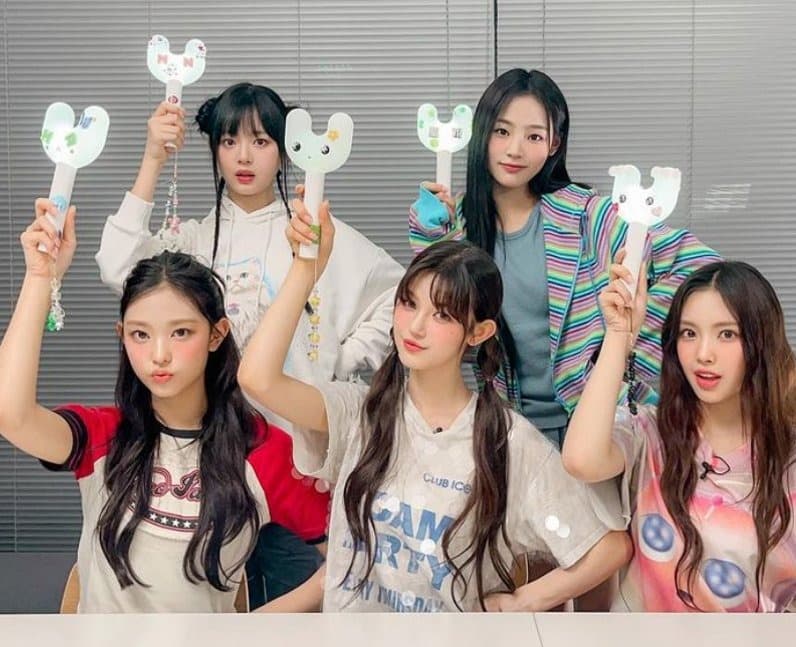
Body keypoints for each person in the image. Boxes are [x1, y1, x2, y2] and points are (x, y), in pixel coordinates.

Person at [95, 81, 404, 605]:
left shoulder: (315, 234)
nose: (243, 156)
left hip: (292, 467)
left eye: (261, 141)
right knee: (208, 609)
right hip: (208, 466)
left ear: (285, 151)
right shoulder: (193, 242)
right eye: (229, 141)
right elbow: (118, 267)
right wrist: (152, 159)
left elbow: (398, 298)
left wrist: (336, 362)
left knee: (295, 609)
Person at [239, 203, 631, 612]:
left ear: (478, 332)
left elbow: (608, 548)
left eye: (442, 314)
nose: (415, 326)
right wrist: (306, 270)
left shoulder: (506, 442)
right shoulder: (360, 414)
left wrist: (523, 601)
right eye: (408, 303)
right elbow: (257, 379)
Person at [0, 199, 328, 612]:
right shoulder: (102, 437)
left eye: (181, 332)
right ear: (122, 335)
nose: (159, 355)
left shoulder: (263, 452)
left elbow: (352, 556)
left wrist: (252, 628)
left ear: (216, 335)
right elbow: (11, 415)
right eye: (140, 334)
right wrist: (39, 277)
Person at [397, 68, 720, 447]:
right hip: (507, 430)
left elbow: (698, 267)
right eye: (502, 131)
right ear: (481, 133)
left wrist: (618, 347)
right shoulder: (459, 226)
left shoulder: (588, 216)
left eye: (534, 136)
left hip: (597, 426)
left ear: (554, 144)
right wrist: (435, 236)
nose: (515, 149)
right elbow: (445, 328)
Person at [562, 258, 796, 611]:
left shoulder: (787, 457)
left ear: (761, 343)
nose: (703, 354)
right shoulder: (652, 434)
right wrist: (619, 334)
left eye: (727, 334)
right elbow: (581, 460)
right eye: (689, 333)